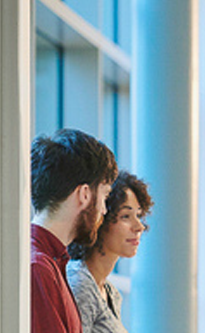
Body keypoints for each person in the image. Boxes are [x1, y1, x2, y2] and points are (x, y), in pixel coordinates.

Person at [31, 129, 118, 333]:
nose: (104, 210)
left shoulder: (50, 264)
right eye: (104, 197)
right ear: (85, 194)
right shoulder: (40, 270)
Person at [67, 171, 154, 333]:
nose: (139, 227)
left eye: (138, 215)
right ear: (99, 219)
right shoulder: (80, 284)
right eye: (126, 216)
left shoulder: (111, 293)